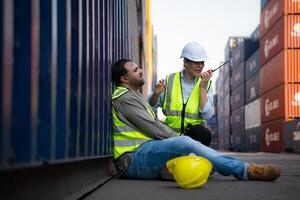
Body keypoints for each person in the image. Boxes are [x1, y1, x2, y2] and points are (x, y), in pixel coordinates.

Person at [111, 58, 281, 181]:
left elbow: (207, 113)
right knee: (187, 145)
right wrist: (182, 141)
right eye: (135, 70)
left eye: (139, 68)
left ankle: (171, 170)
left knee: (202, 158)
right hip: (131, 159)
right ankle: (245, 170)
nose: (140, 71)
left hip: (143, 152)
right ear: (124, 79)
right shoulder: (124, 98)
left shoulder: (133, 96)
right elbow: (153, 127)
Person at [149, 41, 214, 146]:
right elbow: (152, 106)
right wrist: (156, 95)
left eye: (202, 62)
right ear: (186, 63)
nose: (200, 66)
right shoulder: (169, 80)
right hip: (170, 139)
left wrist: (202, 88)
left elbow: (208, 115)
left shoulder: (207, 84)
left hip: (195, 140)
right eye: (196, 62)